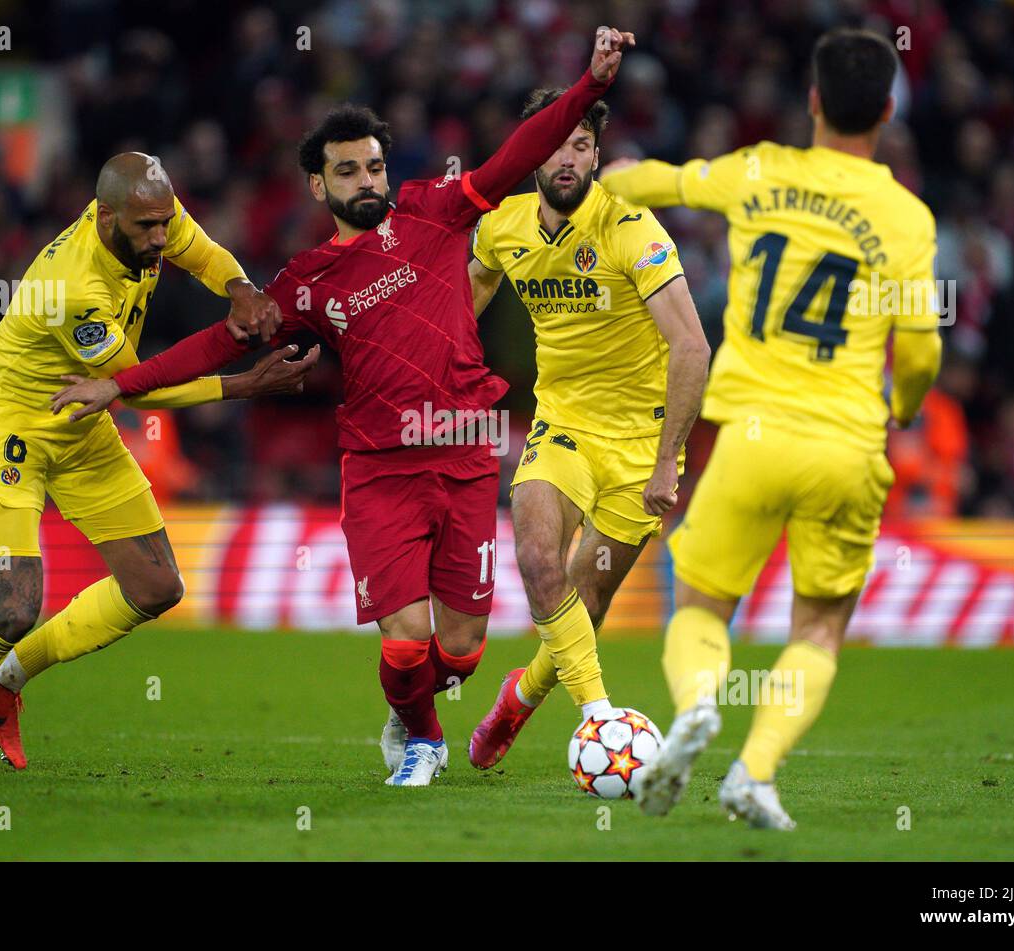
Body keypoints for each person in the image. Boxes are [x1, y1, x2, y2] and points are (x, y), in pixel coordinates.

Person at [51, 27, 637, 787]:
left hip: (463, 454)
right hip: (379, 471)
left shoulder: (436, 211)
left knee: (457, 652)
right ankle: (423, 740)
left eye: (375, 165)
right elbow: (220, 343)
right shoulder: (306, 281)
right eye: (348, 169)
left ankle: (413, 709)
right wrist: (117, 385)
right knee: (403, 641)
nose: (367, 179)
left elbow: (520, 153)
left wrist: (588, 85)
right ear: (318, 187)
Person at [601, 27, 942, 828]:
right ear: (887, 110)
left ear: (813, 101)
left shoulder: (758, 171)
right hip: (846, 444)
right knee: (819, 624)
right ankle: (754, 773)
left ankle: (693, 708)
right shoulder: (906, 216)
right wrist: (906, 407)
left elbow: (664, 180)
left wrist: (615, 177)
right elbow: (921, 350)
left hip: (751, 437)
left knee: (702, 605)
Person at [0, 152, 318, 773]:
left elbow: (204, 252)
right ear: (106, 218)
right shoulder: (71, 290)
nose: (161, 238)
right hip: (12, 424)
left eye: (165, 222)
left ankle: (8, 682)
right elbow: (135, 384)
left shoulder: (148, 212)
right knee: (17, 605)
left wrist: (241, 289)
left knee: (156, 587)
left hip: (83, 421)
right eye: (146, 229)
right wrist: (239, 383)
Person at [464, 88, 708, 769]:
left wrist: (667, 462)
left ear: (597, 155)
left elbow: (692, 346)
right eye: (556, 145)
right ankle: (601, 720)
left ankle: (520, 696)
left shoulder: (632, 229)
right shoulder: (501, 229)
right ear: (531, 151)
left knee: (584, 595)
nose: (569, 159)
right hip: (563, 426)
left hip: (641, 446)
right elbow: (457, 315)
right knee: (540, 560)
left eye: (582, 146)